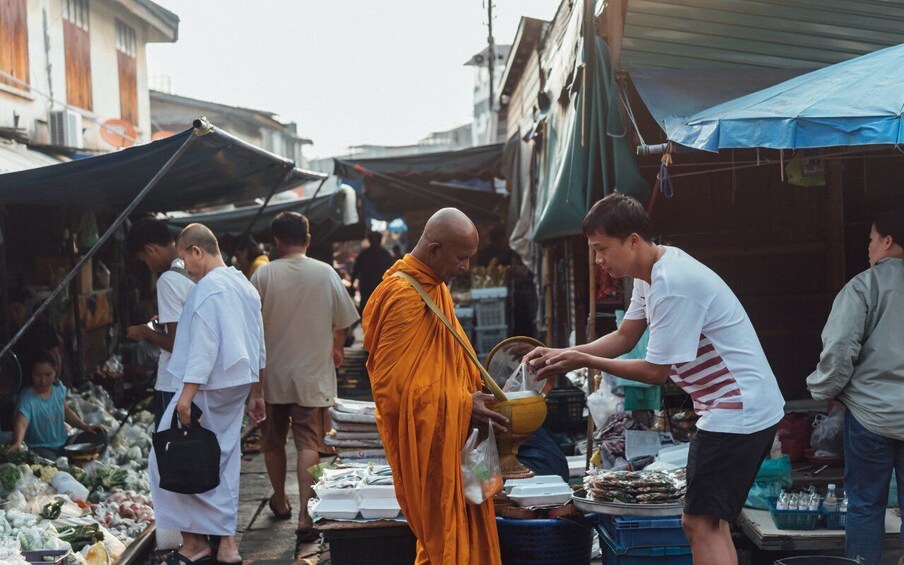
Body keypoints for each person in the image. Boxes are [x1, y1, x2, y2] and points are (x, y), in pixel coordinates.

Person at [524, 194, 785, 565]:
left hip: (737, 411)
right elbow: (623, 339)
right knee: (712, 523)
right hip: (739, 410)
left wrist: (581, 359)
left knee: (697, 523)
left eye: (602, 250)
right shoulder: (650, 275)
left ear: (633, 241)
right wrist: (565, 355)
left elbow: (654, 372)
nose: (598, 261)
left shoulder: (671, 283)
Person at [363, 208, 508, 565]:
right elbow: (392, 392)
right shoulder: (402, 297)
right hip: (429, 443)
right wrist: (462, 404)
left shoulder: (434, 289)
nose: (465, 268)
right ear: (433, 250)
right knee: (441, 538)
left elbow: (447, 365)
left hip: (453, 441)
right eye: (460, 258)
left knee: (453, 536)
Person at [148, 223, 266, 565]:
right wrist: (258, 391)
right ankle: (226, 546)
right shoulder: (243, 284)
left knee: (167, 458)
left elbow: (203, 345)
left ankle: (195, 543)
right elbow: (259, 342)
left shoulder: (207, 289)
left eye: (187, 261)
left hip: (206, 386)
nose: (188, 269)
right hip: (236, 385)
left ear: (196, 250)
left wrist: (185, 396)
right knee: (223, 458)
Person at [249, 212, 359, 557]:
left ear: (277, 242)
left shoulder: (262, 275)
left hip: (272, 375)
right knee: (310, 441)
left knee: (272, 440)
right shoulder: (326, 273)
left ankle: (280, 501)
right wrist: (337, 345)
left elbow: (250, 327)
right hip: (313, 373)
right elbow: (344, 321)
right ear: (308, 240)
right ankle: (304, 516)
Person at [807, 211, 904, 565]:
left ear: (888, 241)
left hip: (870, 418)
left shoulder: (862, 287)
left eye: (871, 238)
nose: (869, 246)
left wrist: (823, 388)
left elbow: (839, 350)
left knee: (865, 507)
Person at [125, 218, 196, 428]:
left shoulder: (168, 280)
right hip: (196, 376)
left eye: (144, 259)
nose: (148, 266)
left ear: (150, 249)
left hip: (175, 382)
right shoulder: (192, 267)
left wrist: (144, 332)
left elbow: (175, 343)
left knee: (172, 448)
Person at [5, 350, 105, 459]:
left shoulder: (58, 388)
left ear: (55, 371)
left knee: (101, 436)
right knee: (52, 462)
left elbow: (64, 410)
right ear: (31, 373)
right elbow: (22, 422)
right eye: (38, 375)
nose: (43, 381)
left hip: (65, 444)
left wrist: (84, 426)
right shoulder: (26, 398)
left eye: (48, 375)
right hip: (41, 449)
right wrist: (17, 442)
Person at [350, 231, 395, 313]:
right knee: (379, 310)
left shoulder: (364, 254)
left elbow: (355, 271)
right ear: (380, 240)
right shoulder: (385, 255)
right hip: (378, 286)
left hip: (370, 286)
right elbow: (393, 273)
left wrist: (352, 286)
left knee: (368, 309)